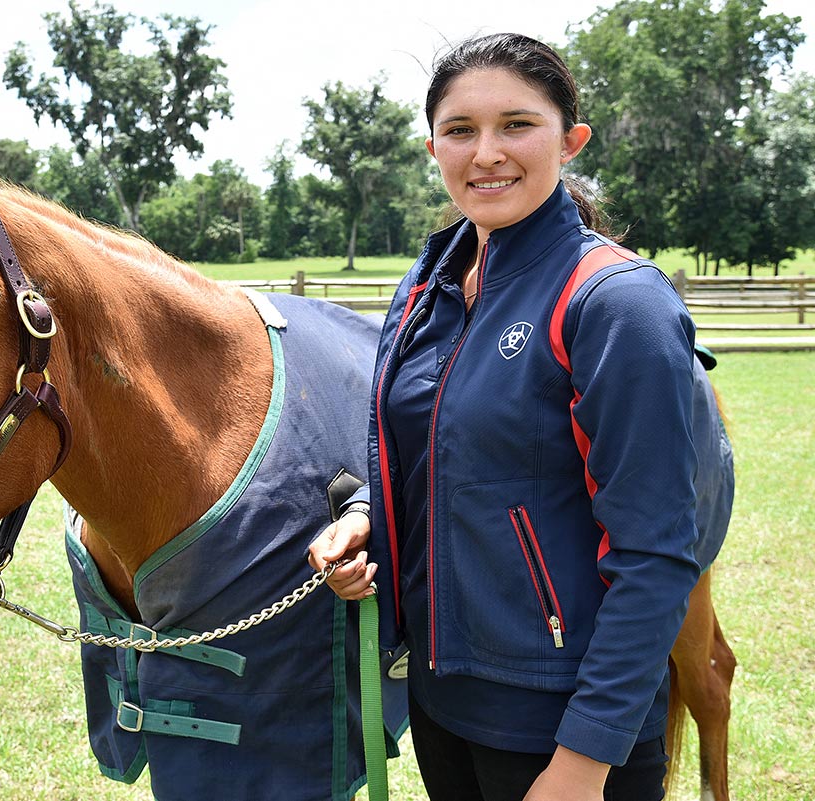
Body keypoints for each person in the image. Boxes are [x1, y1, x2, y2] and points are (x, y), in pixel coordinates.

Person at [308, 33, 701, 801]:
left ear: (570, 140)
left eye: (516, 125)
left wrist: (585, 759)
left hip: (563, 725)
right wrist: (365, 515)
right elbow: (412, 444)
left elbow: (656, 552)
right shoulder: (427, 284)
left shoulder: (618, 303)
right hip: (441, 700)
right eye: (460, 131)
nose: (486, 152)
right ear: (433, 147)